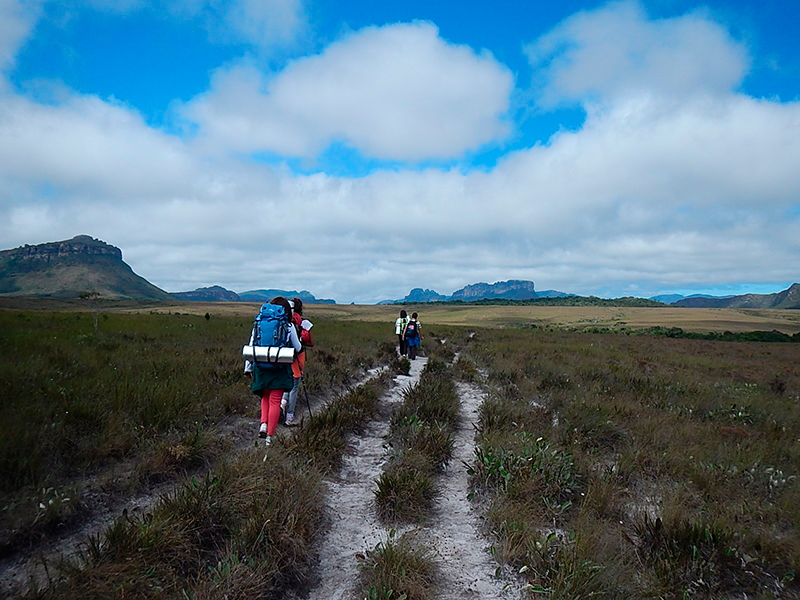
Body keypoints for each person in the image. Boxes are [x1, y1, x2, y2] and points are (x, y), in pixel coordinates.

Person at [244, 297, 302, 446]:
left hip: (260, 367)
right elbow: (297, 347)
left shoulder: (259, 323)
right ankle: (270, 436)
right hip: (279, 368)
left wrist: (248, 367)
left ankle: (263, 424)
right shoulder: (288, 325)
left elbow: (251, 345)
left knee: (264, 397)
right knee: (275, 401)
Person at [281, 297, 314, 426]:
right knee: (294, 387)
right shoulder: (303, 322)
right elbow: (311, 342)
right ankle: (290, 416)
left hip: (283, 355)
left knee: (285, 383)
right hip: (298, 355)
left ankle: (282, 403)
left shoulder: (283, 320)